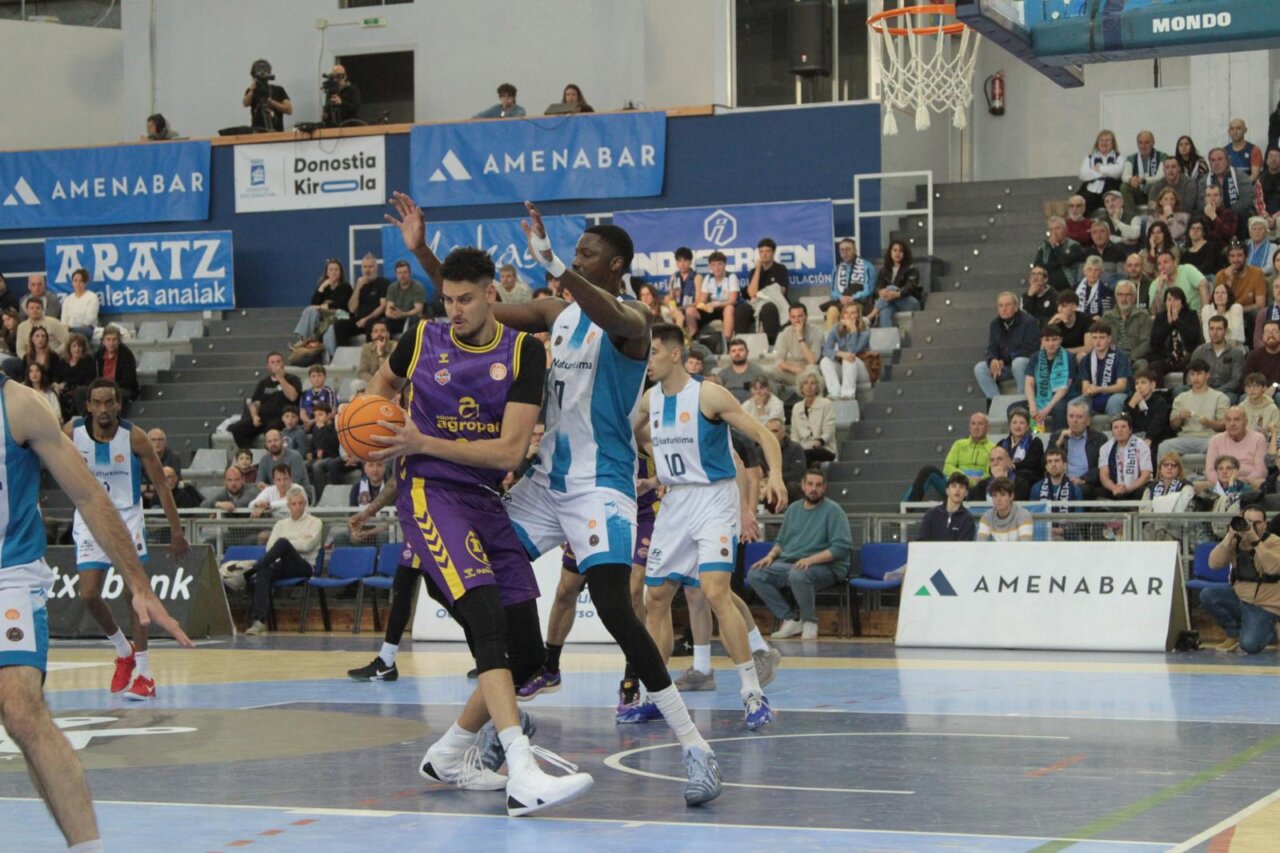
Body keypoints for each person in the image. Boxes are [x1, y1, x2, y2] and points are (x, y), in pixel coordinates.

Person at [385, 192, 722, 807]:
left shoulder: (632, 324)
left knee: (615, 607)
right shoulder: (553, 312)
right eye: (571, 252)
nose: (572, 259)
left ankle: (695, 745)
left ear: (614, 265)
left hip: (602, 484)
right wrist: (424, 254)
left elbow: (611, 315)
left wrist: (558, 269)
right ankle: (490, 715)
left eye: (584, 255)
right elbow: (473, 306)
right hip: (544, 483)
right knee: (463, 584)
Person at [0, 365, 192, 851]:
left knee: (21, 709)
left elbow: (87, 494)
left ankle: (89, 847)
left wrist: (139, 583)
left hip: (10, 575)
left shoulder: (20, 405)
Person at [636, 323, 788, 729]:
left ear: (673, 354)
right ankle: (656, 693)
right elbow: (630, 433)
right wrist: (655, 475)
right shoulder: (650, 400)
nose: (646, 360)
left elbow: (760, 434)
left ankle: (753, 695)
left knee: (715, 591)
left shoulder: (707, 394)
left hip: (714, 500)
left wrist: (775, 474)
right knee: (656, 598)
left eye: (651, 352)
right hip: (676, 502)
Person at [64, 379, 191, 700]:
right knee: (88, 593)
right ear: (89, 405)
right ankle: (124, 650)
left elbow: (162, 485)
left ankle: (145, 675)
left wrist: (176, 530)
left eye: (110, 403)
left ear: (119, 404)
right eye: (98, 403)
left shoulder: (135, 437)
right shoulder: (71, 433)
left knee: (135, 595)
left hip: (127, 519)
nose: (104, 409)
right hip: (90, 518)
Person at [747, 468, 851, 640]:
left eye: (818, 485)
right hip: (792, 563)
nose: (813, 489)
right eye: (810, 484)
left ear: (824, 488)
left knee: (798, 574)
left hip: (827, 566)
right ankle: (790, 619)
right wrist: (770, 556)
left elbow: (841, 548)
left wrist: (810, 560)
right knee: (755, 574)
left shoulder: (834, 511)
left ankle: (810, 622)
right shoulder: (793, 509)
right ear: (803, 485)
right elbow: (781, 542)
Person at [243, 486, 322, 635]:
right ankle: (259, 621)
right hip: (282, 564)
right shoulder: (281, 524)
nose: (297, 507)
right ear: (288, 506)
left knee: (283, 543)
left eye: (300, 503)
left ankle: (252, 569)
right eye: (294, 504)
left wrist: (288, 543)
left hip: (304, 565)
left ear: (305, 503)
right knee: (264, 570)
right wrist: (297, 540)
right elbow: (270, 548)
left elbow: (307, 546)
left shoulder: (315, 522)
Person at [1202, 505, 1280, 654]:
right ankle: (1234, 633)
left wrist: (1256, 542)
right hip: (1240, 598)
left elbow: (1273, 568)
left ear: (1265, 524)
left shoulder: (1274, 542)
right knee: (1208, 595)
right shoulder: (1236, 540)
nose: (1252, 527)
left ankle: (1273, 630)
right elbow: (1213, 563)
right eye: (1248, 522)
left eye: (1257, 523)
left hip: (1265, 605)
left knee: (1249, 645)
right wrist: (1229, 537)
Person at [907, 412, 994, 501]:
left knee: (983, 484)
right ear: (969, 427)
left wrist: (975, 481)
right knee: (928, 470)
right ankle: (904, 510)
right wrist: (964, 478)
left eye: (980, 424)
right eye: (973, 423)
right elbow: (947, 467)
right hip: (955, 484)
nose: (976, 427)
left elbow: (991, 472)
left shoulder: (993, 448)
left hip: (977, 487)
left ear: (987, 428)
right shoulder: (959, 444)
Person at [974, 291, 1039, 400]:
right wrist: (992, 360)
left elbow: (1030, 350)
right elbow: (991, 348)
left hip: (1025, 366)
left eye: (1008, 305)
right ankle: (997, 401)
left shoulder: (1029, 322)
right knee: (980, 368)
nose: (1004, 309)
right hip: (1004, 367)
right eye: (1000, 306)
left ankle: (1022, 400)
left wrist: (1004, 361)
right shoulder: (995, 324)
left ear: (1016, 307)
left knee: (1018, 362)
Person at [229, 352, 302, 449]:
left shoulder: (293, 379)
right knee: (237, 430)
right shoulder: (263, 383)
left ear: (283, 363)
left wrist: (281, 378)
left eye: (278, 361)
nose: (276, 364)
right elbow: (255, 403)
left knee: (271, 432)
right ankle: (252, 456)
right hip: (262, 418)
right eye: (272, 362)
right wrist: (255, 416)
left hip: (281, 418)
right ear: (268, 366)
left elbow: (293, 397)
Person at [1159, 359, 1229, 458]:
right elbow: (1173, 426)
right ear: (1188, 377)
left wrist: (1210, 423)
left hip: (1209, 438)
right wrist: (1180, 417)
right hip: (1185, 438)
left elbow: (1224, 425)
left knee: (1220, 445)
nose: (1196, 378)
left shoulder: (1220, 397)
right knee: (1164, 447)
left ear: (1207, 375)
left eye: (1199, 374)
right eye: (1192, 374)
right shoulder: (1181, 398)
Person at [294, 259, 354, 356]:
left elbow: (342, 304)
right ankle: (303, 339)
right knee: (310, 310)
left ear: (340, 272)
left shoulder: (345, 287)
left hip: (339, 316)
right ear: (326, 272)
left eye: (336, 270)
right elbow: (314, 303)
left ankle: (329, 358)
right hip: (323, 316)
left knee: (330, 331)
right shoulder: (324, 286)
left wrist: (326, 306)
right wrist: (322, 287)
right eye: (331, 270)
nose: (333, 272)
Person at [1049, 401, 1108, 499]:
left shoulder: (1099, 439)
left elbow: (1101, 467)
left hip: (1085, 483)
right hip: (1058, 480)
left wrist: (1082, 479)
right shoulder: (1057, 436)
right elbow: (1045, 462)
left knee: (1081, 490)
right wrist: (1059, 442)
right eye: (1071, 416)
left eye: (1079, 417)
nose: (1074, 420)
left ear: (1088, 421)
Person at [738, 238, 791, 345]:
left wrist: (765, 293)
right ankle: (739, 343)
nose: (764, 255)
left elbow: (782, 291)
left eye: (767, 251)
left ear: (773, 252)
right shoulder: (754, 271)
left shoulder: (781, 269)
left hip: (774, 302)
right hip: (756, 302)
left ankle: (770, 344)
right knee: (742, 309)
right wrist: (758, 269)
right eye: (761, 252)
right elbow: (752, 293)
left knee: (768, 308)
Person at [1074, 320, 1131, 416]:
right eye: (1094, 338)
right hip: (1095, 395)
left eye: (1102, 337)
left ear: (1109, 339)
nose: (1098, 341)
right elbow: (1085, 388)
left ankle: (1115, 429)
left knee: (1114, 402)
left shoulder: (1120, 356)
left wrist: (1100, 389)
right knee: (1073, 405)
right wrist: (1089, 389)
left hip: (1117, 394)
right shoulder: (1087, 359)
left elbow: (1121, 386)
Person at [1024, 324, 1074, 433]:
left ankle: (1057, 443)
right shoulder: (1035, 357)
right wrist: (1033, 406)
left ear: (1060, 340)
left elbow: (1064, 388)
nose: (1051, 343)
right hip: (1039, 398)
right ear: (1041, 341)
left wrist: (1046, 409)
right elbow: (1029, 384)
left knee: (1059, 409)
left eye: (1054, 339)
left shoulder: (1068, 357)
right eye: (1047, 340)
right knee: (1014, 408)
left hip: (1058, 399)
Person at [1205, 406, 1268, 491]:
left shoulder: (1259, 439)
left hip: (1248, 482)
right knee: (1197, 486)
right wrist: (1223, 483)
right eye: (1228, 420)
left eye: (1237, 419)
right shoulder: (1215, 440)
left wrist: (1241, 482)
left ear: (1245, 422)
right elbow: (1210, 470)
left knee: (1261, 483)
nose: (1232, 424)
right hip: (1221, 483)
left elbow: (1261, 470)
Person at [819, 302, 871, 399]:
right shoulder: (836, 328)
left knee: (850, 359)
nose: (849, 316)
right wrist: (839, 353)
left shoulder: (865, 331)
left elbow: (852, 352)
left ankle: (848, 395)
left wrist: (853, 331)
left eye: (853, 313)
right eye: (846, 313)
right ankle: (835, 393)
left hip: (863, 370)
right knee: (825, 361)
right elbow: (826, 350)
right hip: (845, 368)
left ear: (858, 316)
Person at [1148, 286, 1201, 378]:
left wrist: (1177, 321)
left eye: (1176, 299)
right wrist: (1168, 324)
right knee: (1154, 366)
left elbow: (1193, 338)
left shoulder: (1191, 315)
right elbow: (1154, 342)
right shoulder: (1160, 317)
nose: (1172, 303)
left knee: (1191, 362)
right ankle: (1159, 392)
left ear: (1182, 302)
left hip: (1186, 356)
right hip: (1166, 357)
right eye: (1169, 300)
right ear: (1165, 303)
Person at [867, 239, 922, 328]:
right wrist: (880, 291)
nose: (897, 253)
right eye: (895, 250)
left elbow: (910, 287)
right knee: (885, 310)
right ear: (890, 252)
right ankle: (888, 340)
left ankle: (870, 316)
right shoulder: (884, 271)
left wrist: (897, 294)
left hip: (909, 302)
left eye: (901, 251)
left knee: (891, 287)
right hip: (889, 302)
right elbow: (878, 286)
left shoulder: (912, 269)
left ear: (905, 254)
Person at [821, 237, 876, 326]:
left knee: (852, 311)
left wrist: (853, 298)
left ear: (855, 250)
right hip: (842, 303)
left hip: (860, 303)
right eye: (842, 250)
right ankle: (831, 339)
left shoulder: (867, 267)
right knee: (831, 311)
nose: (845, 253)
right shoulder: (837, 269)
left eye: (848, 249)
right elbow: (833, 292)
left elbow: (869, 290)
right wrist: (840, 298)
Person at [1098, 413, 1152, 500]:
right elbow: (1104, 475)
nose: (1120, 430)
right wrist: (1114, 488)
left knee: (1144, 492)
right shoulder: (1105, 448)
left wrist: (1128, 489)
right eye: (1116, 427)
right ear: (1112, 431)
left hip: (1136, 487)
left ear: (1130, 430)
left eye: (1123, 427)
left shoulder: (1141, 445)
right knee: (1098, 492)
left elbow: (1145, 475)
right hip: (1115, 488)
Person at [1190, 314, 1246, 398]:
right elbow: (1190, 374)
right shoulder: (1199, 351)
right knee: (1179, 390)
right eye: (1211, 329)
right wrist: (1201, 389)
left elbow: (1236, 380)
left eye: (1219, 329)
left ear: (1226, 331)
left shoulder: (1236, 353)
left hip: (1225, 392)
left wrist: (1214, 393)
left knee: (1230, 398)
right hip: (1202, 388)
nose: (1214, 333)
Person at [687, 251, 738, 340]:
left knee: (729, 308)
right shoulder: (708, 278)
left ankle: (727, 341)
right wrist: (705, 307)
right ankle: (693, 339)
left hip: (725, 307)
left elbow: (733, 300)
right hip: (711, 309)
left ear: (725, 265)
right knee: (690, 310)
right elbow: (702, 301)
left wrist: (717, 304)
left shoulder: (731, 277)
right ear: (710, 266)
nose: (717, 268)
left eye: (720, 264)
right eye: (713, 265)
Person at [339, 253, 390, 341]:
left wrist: (366, 319)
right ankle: (344, 353)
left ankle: (370, 353)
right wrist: (357, 288)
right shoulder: (359, 284)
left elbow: (383, 306)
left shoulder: (383, 283)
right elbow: (352, 309)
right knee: (340, 325)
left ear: (376, 268)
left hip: (375, 319)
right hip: (359, 320)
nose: (367, 270)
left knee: (371, 325)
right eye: (365, 267)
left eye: (370, 267)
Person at [1101, 279, 1152, 367]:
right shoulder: (1107, 317)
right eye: (1120, 295)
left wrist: (1129, 358)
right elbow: (1102, 340)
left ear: (1134, 297)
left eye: (1128, 295)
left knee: (1142, 364)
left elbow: (1146, 343)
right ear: (1116, 296)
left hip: (1134, 359)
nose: (1124, 299)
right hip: (1111, 357)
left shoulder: (1144, 316)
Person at [1201, 147, 1255, 228]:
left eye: (1220, 159)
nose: (1216, 163)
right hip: (1212, 216)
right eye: (1213, 160)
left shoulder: (1240, 176)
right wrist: (1213, 212)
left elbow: (1247, 200)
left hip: (1238, 217)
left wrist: (1227, 214)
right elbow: (1200, 201)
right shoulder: (1204, 181)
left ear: (1227, 161)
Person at [791, 374, 836, 466]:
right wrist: (796, 448)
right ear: (801, 387)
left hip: (824, 448)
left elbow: (829, 431)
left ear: (818, 387)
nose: (809, 386)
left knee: (803, 456)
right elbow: (794, 433)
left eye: (813, 383)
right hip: (803, 448)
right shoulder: (796, 407)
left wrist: (817, 443)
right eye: (805, 383)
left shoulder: (826, 404)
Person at [918, 472, 977, 541]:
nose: (957, 490)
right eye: (954, 486)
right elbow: (921, 542)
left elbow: (963, 548)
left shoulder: (967, 519)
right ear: (947, 490)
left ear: (966, 493)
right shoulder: (931, 514)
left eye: (961, 487)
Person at [998, 408, 1044, 497]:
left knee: (1021, 478)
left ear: (1027, 426)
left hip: (1027, 479)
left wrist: (1014, 466)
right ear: (1010, 426)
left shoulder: (1035, 442)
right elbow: (993, 461)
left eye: (1021, 423)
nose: (1017, 426)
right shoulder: (1002, 443)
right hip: (1003, 475)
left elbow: (1033, 463)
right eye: (1014, 423)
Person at [1033, 216, 1085, 292]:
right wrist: (1058, 264)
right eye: (1051, 229)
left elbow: (1065, 261)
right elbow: (1038, 266)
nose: (1054, 232)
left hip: (1069, 289)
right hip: (1047, 290)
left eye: (1057, 228)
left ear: (1065, 230)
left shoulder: (1074, 246)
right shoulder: (1044, 247)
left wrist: (1055, 245)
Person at [1124, 368, 1173, 449]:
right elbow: (1122, 418)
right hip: (1134, 438)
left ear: (1152, 385)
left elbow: (1157, 423)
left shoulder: (1160, 402)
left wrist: (1149, 438)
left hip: (1155, 438)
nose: (1139, 387)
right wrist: (1131, 405)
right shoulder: (1130, 401)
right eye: (1137, 383)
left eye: (1143, 383)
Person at [1077, 129, 1123, 213]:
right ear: (1097, 143)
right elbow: (1083, 175)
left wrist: (1100, 168)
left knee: (1113, 204)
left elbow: (1118, 172)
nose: (1104, 143)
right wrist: (1107, 171)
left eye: (1107, 140)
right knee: (1079, 203)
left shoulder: (1119, 157)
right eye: (1101, 140)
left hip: (1111, 188)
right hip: (1091, 189)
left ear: (1113, 143)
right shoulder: (1089, 158)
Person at [1122, 129, 1166, 214]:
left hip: (1156, 193)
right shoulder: (1131, 158)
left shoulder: (1162, 156)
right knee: (1124, 186)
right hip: (1138, 192)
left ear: (1153, 143)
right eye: (1140, 143)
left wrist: (1144, 180)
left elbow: (1161, 176)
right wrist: (1131, 180)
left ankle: (1152, 217)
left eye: (1147, 142)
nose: (1143, 146)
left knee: (1155, 185)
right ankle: (1130, 217)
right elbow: (1125, 176)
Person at [93, 325, 139, 408]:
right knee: (80, 392)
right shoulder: (98, 356)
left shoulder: (126, 355)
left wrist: (108, 387)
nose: (111, 343)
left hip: (120, 388)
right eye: (108, 339)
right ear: (103, 341)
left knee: (114, 395)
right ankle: (88, 418)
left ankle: (113, 419)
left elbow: (127, 381)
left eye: (114, 340)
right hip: (100, 389)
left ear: (119, 341)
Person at [715, 337, 772, 403]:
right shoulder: (723, 374)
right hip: (729, 409)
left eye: (741, 350)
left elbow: (766, 393)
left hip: (752, 408)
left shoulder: (757, 371)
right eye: (733, 351)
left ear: (747, 352)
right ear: (729, 354)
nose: (737, 353)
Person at [242, 58, 292, 132]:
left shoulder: (278, 89)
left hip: (277, 132)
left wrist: (270, 102)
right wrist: (252, 90)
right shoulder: (252, 91)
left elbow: (289, 109)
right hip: (257, 133)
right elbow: (245, 103)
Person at [254, 428, 310, 493]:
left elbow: (293, 484)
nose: (273, 444)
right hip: (274, 495)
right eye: (269, 441)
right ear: (266, 444)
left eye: (275, 440)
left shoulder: (295, 456)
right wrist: (261, 485)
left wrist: (268, 488)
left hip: (297, 495)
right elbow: (259, 482)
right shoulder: (264, 459)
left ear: (283, 441)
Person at [384, 259, 428, 335]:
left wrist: (403, 314)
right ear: (396, 274)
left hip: (410, 319)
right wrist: (392, 314)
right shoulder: (392, 287)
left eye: (405, 272)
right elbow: (388, 309)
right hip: (396, 319)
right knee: (383, 322)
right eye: (399, 273)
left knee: (415, 319)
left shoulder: (417, 287)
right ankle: (385, 345)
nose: (402, 276)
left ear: (410, 273)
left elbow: (418, 310)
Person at [60, 268, 99, 338]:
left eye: (81, 281)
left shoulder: (92, 297)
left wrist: (72, 327)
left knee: (76, 334)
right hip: (69, 329)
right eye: (75, 281)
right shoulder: (68, 299)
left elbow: (91, 318)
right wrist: (66, 327)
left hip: (86, 328)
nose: (78, 284)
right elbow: (64, 320)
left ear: (85, 283)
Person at [298, 364, 338, 432]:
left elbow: (332, 413)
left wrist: (313, 422)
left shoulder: (329, 392)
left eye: (319, 375)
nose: (316, 379)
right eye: (313, 376)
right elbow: (302, 412)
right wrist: (307, 421)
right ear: (309, 378)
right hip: (308, 423)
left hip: (324, 424)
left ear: (325, 377)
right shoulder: (305, 393)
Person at [322, 63, 361, 127]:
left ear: (345, 76)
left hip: (350, 125)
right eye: (334, 76)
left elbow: (355, 107)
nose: (336, 79)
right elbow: (328, 109)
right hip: (334, 127)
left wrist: (341, 103)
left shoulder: (353, 89)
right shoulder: (330, 92)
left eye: (339, 76)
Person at [1244, 319, 1280, 387]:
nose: (1270, 335)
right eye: (1267, 332)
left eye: (1274, 331)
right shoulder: (1253, 355)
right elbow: (1246, 379)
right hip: (1257, 390)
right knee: (1244, 397)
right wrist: (1261, 389)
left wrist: (1274, 387)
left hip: (1278, 390)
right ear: (1263, 336)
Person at [1226, 118, 1264, 182]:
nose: (1235, 132)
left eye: (1238, 128)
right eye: (1232, 129)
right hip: (1229, 188)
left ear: (1245, 130)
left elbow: (1254, 176)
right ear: (1228, 131)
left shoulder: (1254, 150)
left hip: (1249, 188)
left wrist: (1239, 185)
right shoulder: (1224, 151)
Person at [358, 319, 395, 384]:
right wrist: (375, 382)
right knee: (356, 384)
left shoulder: (395, 347)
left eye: (382, 331)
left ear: (388, 334)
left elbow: (389, 373)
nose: (379, 334)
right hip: (372, 382)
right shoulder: (366, 348)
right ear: (372, 335)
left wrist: (380, 354)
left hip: (391, 383)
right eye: (376, 331)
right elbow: (363, 372)